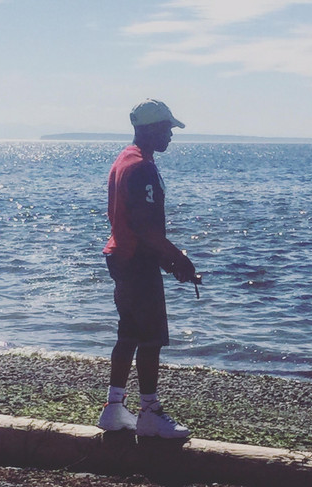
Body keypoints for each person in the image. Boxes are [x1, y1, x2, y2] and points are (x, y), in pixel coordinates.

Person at [98, 99, 197, 439]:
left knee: (128, 333)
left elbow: (128, 222)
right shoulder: (142, 167)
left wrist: (166, 261)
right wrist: (178, 259)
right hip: (136, 260)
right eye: (167, 128)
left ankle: (114, 408)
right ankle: (150, 412)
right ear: (151, 129)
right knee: (150, 339)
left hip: (121, 257)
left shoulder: (124, 160)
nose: (170, 135)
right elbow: (144, 227)